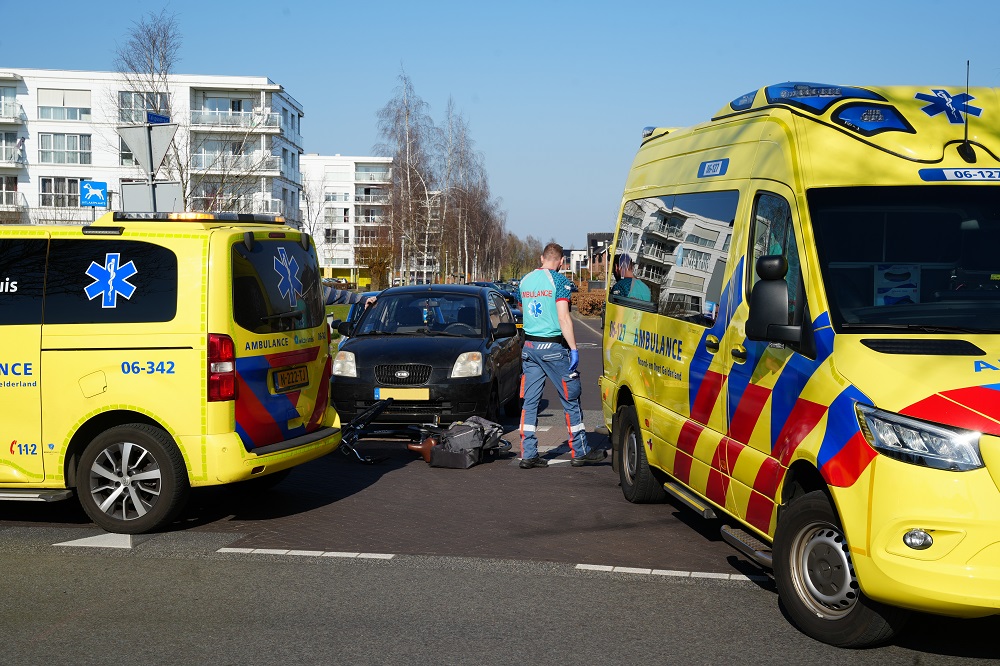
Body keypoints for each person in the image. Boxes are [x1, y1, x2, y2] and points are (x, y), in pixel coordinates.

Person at [516, 242, 606, 469]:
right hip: (553, 349)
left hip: (530, 348)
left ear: (541, 258)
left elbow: (524, 309)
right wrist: (574, 349)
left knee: (530, 402)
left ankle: (528, 453)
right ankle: (581, 450)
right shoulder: (559, 281)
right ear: (561, 262)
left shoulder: (524, 281)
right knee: (571, 399)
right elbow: (564, 318)